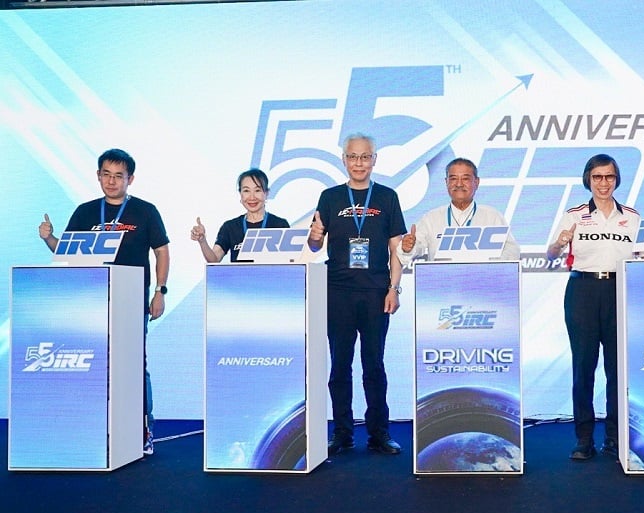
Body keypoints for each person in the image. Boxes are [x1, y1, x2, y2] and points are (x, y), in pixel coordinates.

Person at [38, 148, 170, 456]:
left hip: (132, 300)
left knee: (135, 365)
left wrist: (160, 291)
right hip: (93, 301)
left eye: (118, 176)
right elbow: (67, 251)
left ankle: (142, 431)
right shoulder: (85, 212)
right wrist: (49, 238)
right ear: (98, 176)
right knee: (95, 365)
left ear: (130, 179)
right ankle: (96, 429)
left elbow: (161, 252)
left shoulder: (145, 211)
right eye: (106, 175)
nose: (112, 181)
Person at [307, 133, 407, 456]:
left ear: (374, 160)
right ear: (344, 159)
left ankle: (379, 433)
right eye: (353, 157)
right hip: (337, 292)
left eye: (365, 157)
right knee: (340, 365)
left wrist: (394, 288)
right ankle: (342, 433)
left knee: (374, 365)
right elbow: (315, 245)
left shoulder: (387, 197)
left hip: (377, 292)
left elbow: (396, 249)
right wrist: (314, 236)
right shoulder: (330, 197)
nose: (359, 163)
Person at [547, 153, 640, 461]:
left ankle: (614, 438)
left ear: (617, 179)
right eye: (597, 177)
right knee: (584, 368)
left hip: (618, 290)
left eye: (609, 176)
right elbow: (550, 255)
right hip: (583, 291)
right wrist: (559, 243)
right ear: (588, 179)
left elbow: (642, 254)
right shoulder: (573, 215)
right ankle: (584, 439)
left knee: (617, 370)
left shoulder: (632, 216)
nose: (603, 183)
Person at [397, 157, 520, 263]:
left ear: (476, 182)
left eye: (465, 178)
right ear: (446, 182)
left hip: (482, 281)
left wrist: (489, 263)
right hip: (442, 281)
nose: (459, 184)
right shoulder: (431, 218)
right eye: (453, 179)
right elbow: (412, 249)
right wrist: (408, 248)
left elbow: (512, 250)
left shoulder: (492, 216)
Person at [190, 169, 290, 262]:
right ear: (240, 194)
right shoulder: (230, 227)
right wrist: (202, 241)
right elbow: (214, 259)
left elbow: (290, 261)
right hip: (238, 276)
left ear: (266, 193)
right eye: (246, 191)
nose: (252, 197)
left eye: (257, 190)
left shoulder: (280, 225)